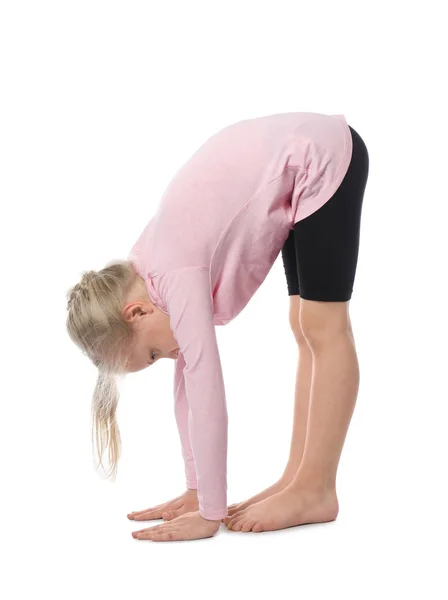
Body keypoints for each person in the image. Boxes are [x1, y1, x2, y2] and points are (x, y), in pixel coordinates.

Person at [66, 111, 369, 542]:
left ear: (135, 313)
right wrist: (197, 490)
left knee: (323, 324)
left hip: (319, 156)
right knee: (304, 323)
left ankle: (316, 486)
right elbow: (185, 389)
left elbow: (206, 390)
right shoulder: (146, 269)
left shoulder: (174, 272)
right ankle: (297, 477)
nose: (166, 358)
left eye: (151, 354)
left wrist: (210, 511)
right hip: (296, 163)